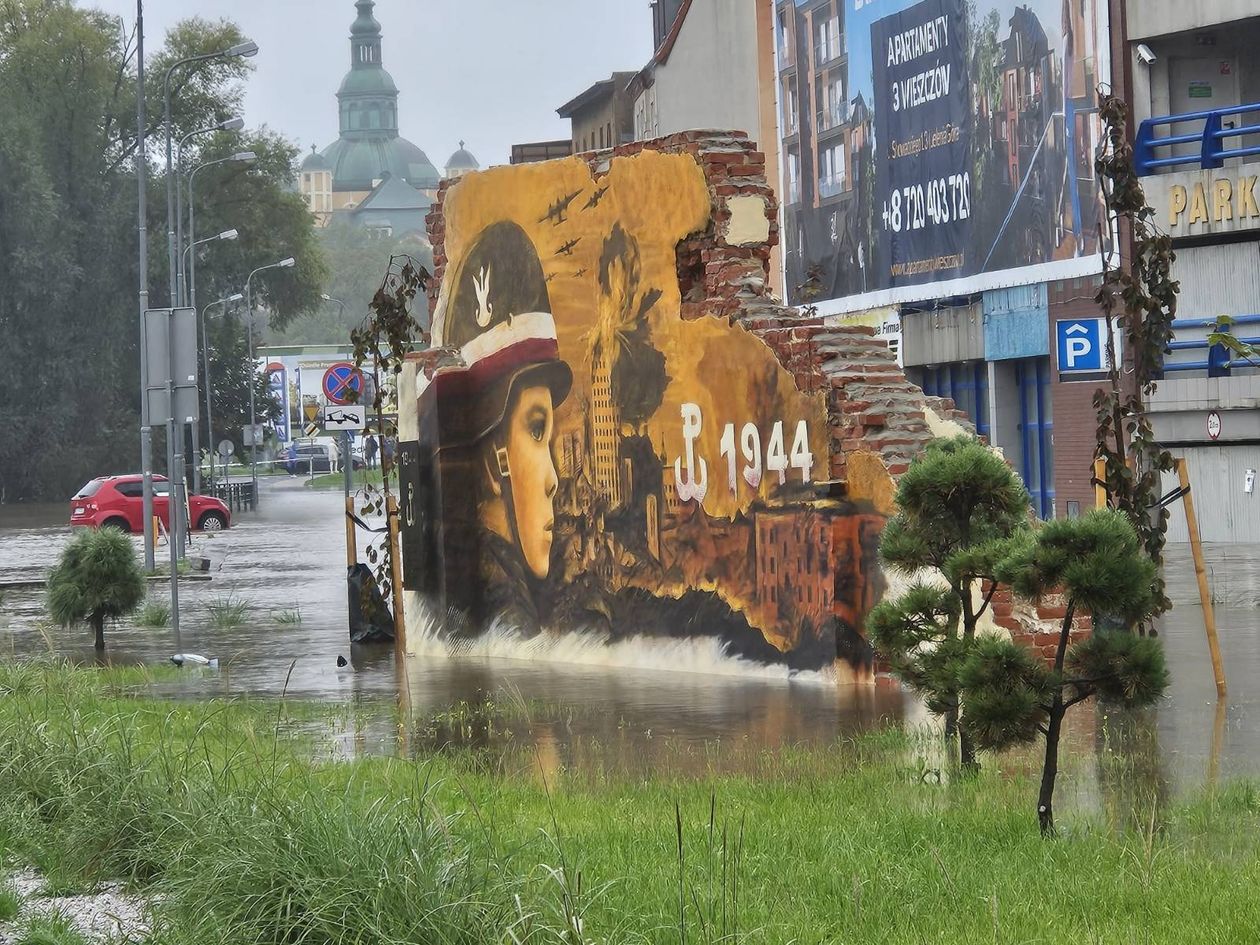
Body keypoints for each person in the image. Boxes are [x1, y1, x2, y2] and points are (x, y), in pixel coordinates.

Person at [417, 220, 572, 635]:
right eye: (535, 430)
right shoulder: (509, 618)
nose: (554, 479)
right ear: (492, 460)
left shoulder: (480, 595)